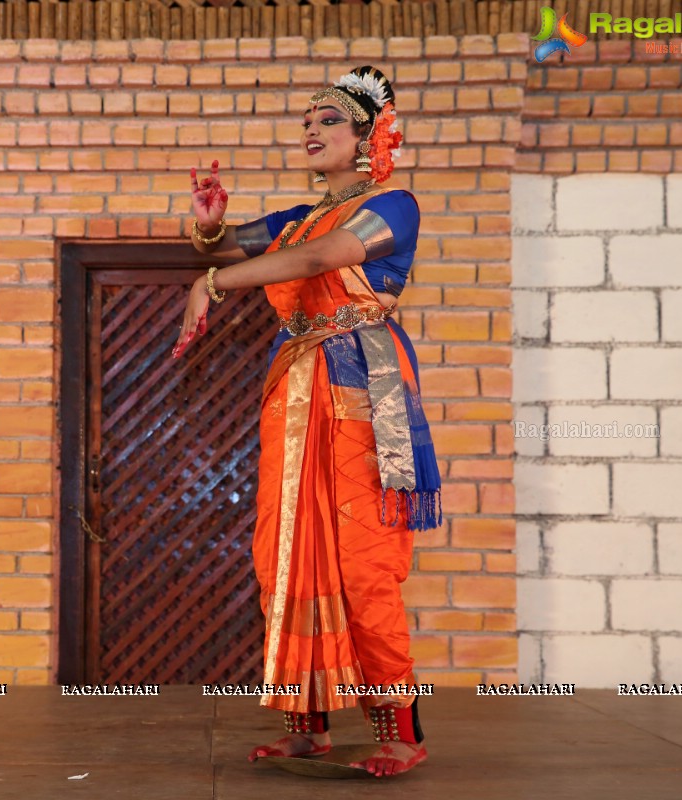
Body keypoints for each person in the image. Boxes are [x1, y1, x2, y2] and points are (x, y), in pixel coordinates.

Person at [174, 66, 442, 778]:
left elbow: (324, 258)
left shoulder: (394, 204)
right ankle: (307, 724)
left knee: (363, 563)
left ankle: (400, 729)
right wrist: (207, 231)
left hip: (363, 391)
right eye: (306, 120)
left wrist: (213, 282)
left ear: (367, 137)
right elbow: (233, 245)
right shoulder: (295, 217)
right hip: (293, 396)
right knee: (286, 555)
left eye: (328, 119)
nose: (311, 130)